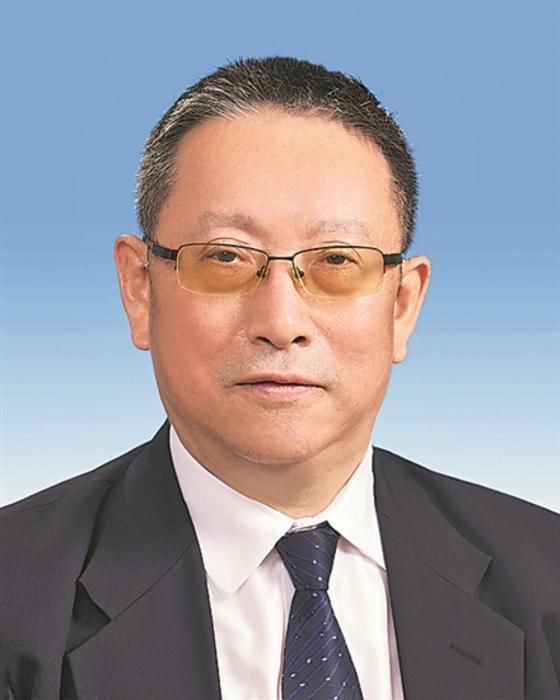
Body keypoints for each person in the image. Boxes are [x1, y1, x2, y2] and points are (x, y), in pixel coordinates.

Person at [1, 57, 558, 700]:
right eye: (225, 257)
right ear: (140, 289)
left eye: (337, 261)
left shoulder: (545, 576)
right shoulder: (17, 599)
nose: (281, 323)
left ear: (403, 305)